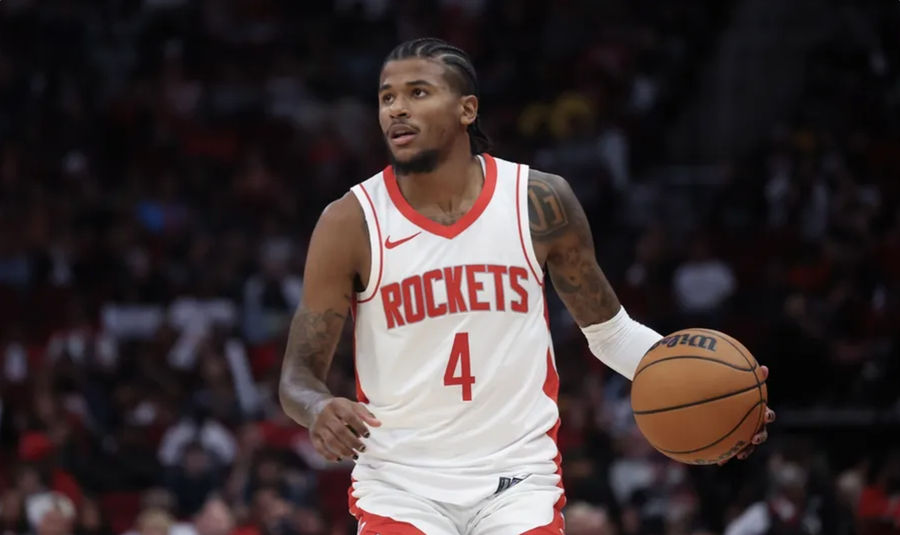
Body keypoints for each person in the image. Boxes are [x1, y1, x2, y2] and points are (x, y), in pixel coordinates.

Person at [279, 37, 776, 534]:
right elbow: (297, 377)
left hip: (516, 480)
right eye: (387, 97)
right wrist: (317, 406)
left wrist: (721, 395)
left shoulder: (539, 201)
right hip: (400, 482)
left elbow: (611, 335)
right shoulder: (351, 221)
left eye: (418, 93)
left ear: (466, 109)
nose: (397, 110)